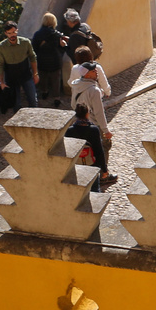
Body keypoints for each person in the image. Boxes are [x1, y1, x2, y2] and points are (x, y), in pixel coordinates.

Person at [68, 45, 112, 179]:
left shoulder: (76, 85)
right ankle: (103, 174)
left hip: (79, 121)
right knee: (103, 147)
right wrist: (105, 130)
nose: (96, 72)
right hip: (93, 123)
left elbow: (72, 104)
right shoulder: (94, 90)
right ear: (87, 74)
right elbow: (99, 112)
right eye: (93, 71)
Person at [0, 21, 39, 112]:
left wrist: (35, 73)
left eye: (14, 32)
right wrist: (1, 82)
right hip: (11, 77)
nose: (12, 35)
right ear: (6, 34)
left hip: (26, 74)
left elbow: (32, 57)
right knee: (16, 104)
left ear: (17, 31)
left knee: (33, 100)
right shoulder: (1, 47)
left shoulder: (25, 42)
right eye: (9, 33)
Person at [65, 102, 111, 190]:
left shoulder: (70, 131)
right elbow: (99, 151)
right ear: (87, 114)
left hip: (77, 166)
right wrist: (104, 169)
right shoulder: (93, 130)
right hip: (92, 165)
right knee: (94, 190)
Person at [34, 12, 68, 106]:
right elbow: (62, 47)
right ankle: (56, 97)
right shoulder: (57, 35)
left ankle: (44, 92)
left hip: (42, 60)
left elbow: (34, 48)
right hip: (55, 60)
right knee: (56, 79)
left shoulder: (37, 34)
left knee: (43, 77)